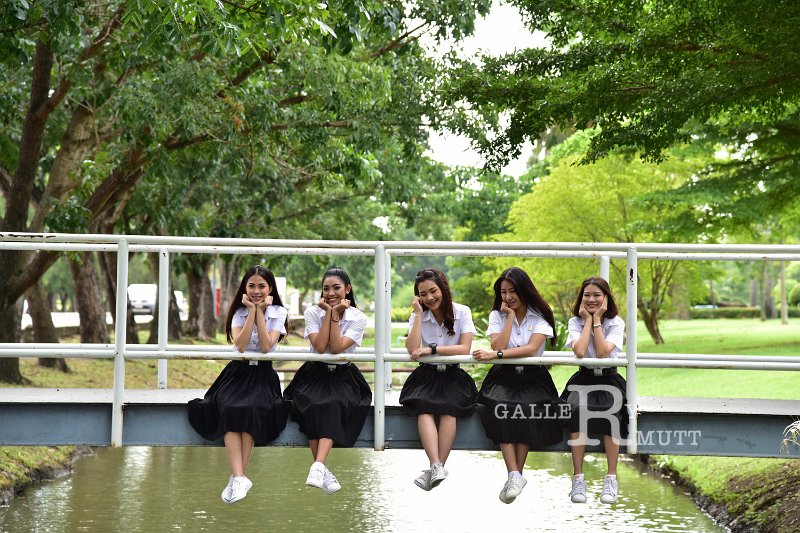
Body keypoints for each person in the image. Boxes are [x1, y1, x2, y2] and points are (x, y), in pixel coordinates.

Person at [188, 265, 289, 504]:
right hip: (236, 373)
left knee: (252, 407)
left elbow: (266, 346)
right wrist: (252, 311)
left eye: (261, 286)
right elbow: (241, 346)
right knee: (230, 407)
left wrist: (261, 312)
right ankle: (239, 476)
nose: (256, 291)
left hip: (263, 374)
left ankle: (238, 478)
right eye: (251, 286)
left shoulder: (279, 312)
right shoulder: (238, 312)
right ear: (245, 288)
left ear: (270, 288)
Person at [472, 267, 565, 504]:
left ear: (524, 289)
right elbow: (498, 344)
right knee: (500, 407)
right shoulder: (497, 315)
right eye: (503, 292)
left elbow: (531, 349)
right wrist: (510, 318)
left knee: (525, 409)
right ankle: (514, 475)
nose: (508, 297)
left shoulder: (540, 314)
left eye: (513, 291)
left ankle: (516, 476)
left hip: (534, 377)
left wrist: (496, 354)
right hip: (503, 376)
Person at [283, 267, 372, 495]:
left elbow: (338, 347)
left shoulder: (358, 317)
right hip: (314, 373)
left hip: (344, 376)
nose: (331, 293)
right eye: (326, 289)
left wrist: (334, 315)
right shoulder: (313, 312)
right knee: (313, 404)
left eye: (336, 288)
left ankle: (318, 465)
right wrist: (330, 314)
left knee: (332, 404)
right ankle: (321, 468)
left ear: (348, 289)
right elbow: (321, 347)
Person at [399, 268, 477, 491]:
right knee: (423, 408)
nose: (429, 298)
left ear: (443, 288)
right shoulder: (419, 314)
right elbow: (412, 348)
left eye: (433, 291)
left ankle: (437, 467)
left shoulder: (462, 312)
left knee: (448, 410)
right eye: (423, 294)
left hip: (453, 375)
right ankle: (436, 465)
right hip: (426, 375)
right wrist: (417, 314)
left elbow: (464, 348)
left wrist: (432, 349)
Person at [561, 277, 627, 505]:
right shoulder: (574, 322)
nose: (591, 299)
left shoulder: (616, 322)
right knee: (576, 411)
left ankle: (611, 479)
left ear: (606, 298)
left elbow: (601, 352)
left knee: (612, 412)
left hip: (609, 379)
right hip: (584, 378)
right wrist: (587, 320)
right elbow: (580, 352)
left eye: (597, 295)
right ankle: (578, 479)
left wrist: (597, 319)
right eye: (587, 295)